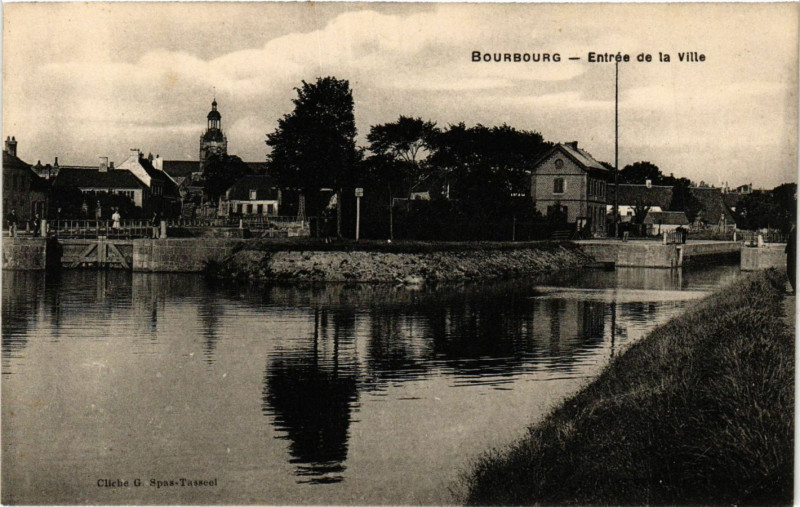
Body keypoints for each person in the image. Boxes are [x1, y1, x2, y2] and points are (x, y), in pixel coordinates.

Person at [786, 225, 796, 291]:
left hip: (793, 253)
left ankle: (795, 288)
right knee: (790, 271)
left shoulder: (795, 229)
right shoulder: (793, 229)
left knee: (791, 270)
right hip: (791, 252)